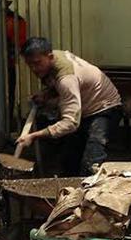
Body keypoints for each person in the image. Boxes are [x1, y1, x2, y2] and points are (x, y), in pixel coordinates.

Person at [17, 37, 124, 176]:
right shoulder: (53, 58)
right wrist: (46, 95)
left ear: (49, 56)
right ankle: (70, 194)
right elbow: (57, 85)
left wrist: (34, 136)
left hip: (105, 108)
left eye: (37, 63)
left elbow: (70, 123)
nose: (34, 69)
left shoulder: (67, 79)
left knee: (91, 163)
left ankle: (90, 195)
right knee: (69, 160)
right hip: (84, 109)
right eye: (29, 64)